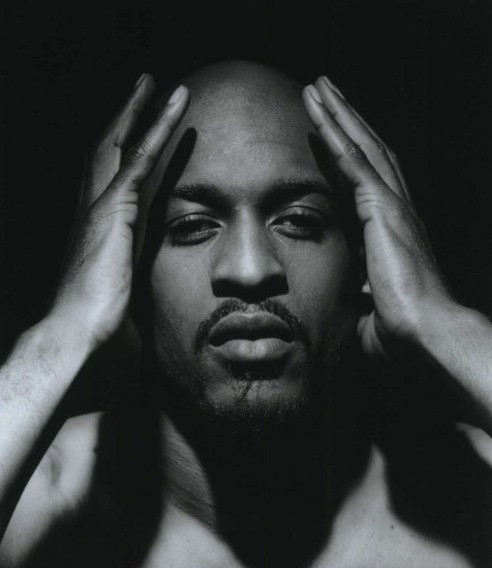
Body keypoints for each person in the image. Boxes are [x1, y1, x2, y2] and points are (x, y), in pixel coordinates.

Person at [0, 61, 491, 568]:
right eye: (192, 226)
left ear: (368, 258)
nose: (250, 269)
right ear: (126, 264)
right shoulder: (34, 504)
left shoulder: (475, 493)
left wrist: (445, 324)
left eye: (297, 220)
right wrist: (62, 335)